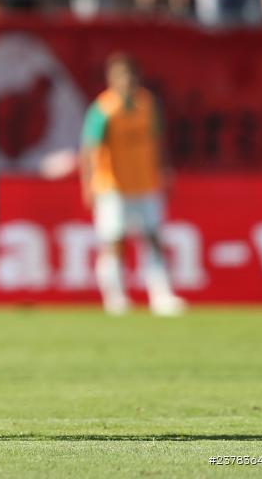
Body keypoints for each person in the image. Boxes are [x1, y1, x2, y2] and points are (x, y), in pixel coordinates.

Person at [79, 53, 186, 317]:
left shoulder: (147, 105)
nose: (127, 81)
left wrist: (164, 172)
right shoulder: (103, 110)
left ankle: (161, 295)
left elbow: (156, 142)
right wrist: (88, 184)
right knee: (115, 241)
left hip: (145, 183)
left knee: (153, 238)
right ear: (111, 79)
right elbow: (89, 150)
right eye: (121, 76)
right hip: (112, 186)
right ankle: (115, 297)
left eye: (131, 75)